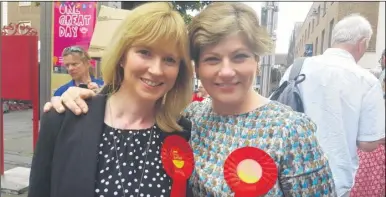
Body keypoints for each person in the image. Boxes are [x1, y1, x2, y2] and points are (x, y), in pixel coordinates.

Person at [43, 2, 337, 196]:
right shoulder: (189, 121)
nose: (226, 71)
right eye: (212, 59)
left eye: (240, 56)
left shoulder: (291, 130)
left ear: (257, 60)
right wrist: (85, 94)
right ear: (196, 67)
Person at [28, 2, 193, 197]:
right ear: (122, 56)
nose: (156, 70)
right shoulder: (63, 119)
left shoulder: (181, 132)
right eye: (145, 52)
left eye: (169, 60)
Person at [280, 14, 385, 197]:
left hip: (289, 176)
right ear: (362, 43)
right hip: (334, 180)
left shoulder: (296, 68)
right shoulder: (367, 80)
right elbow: (367, 143)